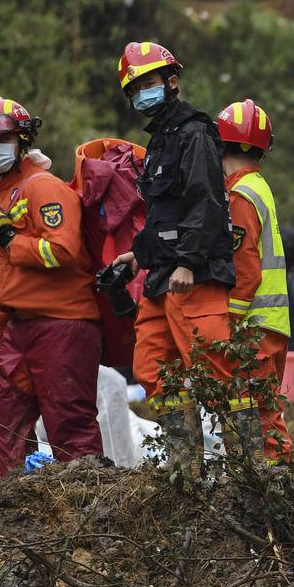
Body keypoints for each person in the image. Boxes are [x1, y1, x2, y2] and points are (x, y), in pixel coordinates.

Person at [110, 42, 240, 473]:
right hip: (162, 275)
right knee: (152, 368)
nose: (143, 94)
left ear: (172, 82)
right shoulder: (162, 140)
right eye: (135, 89)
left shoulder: (195, 133)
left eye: (149, 83)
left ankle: (249, 474)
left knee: (218, 375)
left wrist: (187, 261)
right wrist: (136, 255)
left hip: (195, 276)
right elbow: (163, 215)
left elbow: (207, 201)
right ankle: (187, 471)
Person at [0, 96, 103, 480]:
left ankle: (86, 508)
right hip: (19, 328)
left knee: (69, 423)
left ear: (23, 141)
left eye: (3, 141)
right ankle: (19, 509)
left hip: (64, 323)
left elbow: (63, 250)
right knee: (3, 418)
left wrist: (13, 241)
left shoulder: (44, 188)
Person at [217, 98, 293, 464]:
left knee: (257, 416)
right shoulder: (259, 187)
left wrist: (228, 324)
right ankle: (274, 486)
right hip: (272, 324)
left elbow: (245, 270)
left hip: (253, 328)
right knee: (262, 413)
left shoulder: (240, 196)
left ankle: (277, 490)